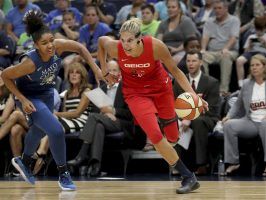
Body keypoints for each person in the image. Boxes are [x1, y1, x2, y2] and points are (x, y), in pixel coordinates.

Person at [98, 18, 208, 194]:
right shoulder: (115, 47)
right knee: (155, 135)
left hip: (161, 90)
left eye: (130, 40)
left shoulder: (156, 46)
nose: (126, 45)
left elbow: (177, 72)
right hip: (135, 94)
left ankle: (167, 126)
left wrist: (195, 95)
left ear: (139, 38)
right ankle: (188, 177)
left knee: (172, 138)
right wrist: (103, 69)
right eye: (123, 40)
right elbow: (101, 42)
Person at [1, 10, 103, 190]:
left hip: (47, 93)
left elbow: (80, 48)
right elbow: (5, 75)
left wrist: (95, 68)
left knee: (39, 131)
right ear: (35, 45)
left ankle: (23, 160)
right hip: (30, 97)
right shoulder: (29, 63)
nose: (50, 46)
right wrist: (22, 100)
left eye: (51, 40)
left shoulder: (59, 46)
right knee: (56, 130)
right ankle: (64, 174)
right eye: (44, 43)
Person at [67, 60, 133, 177]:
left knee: (93, 118)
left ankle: (81, 155)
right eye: (109, 70)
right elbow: (95, 111)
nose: (112, 73)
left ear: (119, 73)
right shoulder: (101, 89)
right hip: (103, 121)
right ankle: (95, 165)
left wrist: (113, 111)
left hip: (121, 123)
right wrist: (104, 115)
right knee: (98, 126)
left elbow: (130, 114)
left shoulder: (126, 88)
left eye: (114, 70)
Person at [173, 50, 220, 175]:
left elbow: (212, 110)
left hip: (207, 118)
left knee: (198, 122)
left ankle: (202, 164)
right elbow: (174, 105)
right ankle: (177, 164)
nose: (190, 64)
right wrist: (184, 118)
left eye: (194, 61)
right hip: (184, 118)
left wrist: (190, 117)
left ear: (201, 62)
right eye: (188, 61)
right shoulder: (179, 82)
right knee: (174, 122)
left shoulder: (211, 82)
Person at [222, 54, 266, 176]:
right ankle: (233, 162)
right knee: (229, 125)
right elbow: (238, 104)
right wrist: (229, 116)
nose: (254, 68)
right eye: (252, 65)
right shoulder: (247, 84)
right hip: (251, 121)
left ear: (265, 67)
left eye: (257, 65)